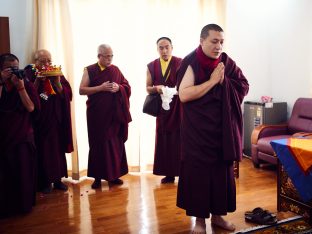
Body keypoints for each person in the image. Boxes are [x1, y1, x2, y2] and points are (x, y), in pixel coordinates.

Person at [176, 24, 249, 233]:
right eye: (214, 41)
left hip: (222, 130)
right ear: (202, 41)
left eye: (221, 42)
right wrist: (213, 81)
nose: (219, 46)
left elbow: (243, 84)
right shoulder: (191, 62)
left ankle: (218, 217)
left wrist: (224, 81)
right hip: (197, 131)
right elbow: (184, 95)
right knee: (198, 174)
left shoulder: (226, 62)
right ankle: (199, 221)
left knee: (221, 175)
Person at [79, 44, 131, 189]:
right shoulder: (89, 70)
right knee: (98, 145)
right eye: (106, 56)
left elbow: (126, 86)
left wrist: (119, 88)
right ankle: (97, 178)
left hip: (114, 115)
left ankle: (113, 176)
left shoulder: (115, 69)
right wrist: (100, 88)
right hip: (97, 115)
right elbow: (82, 90)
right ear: (99, 56)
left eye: (111, 56)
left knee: (115, 145)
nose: (109, 59)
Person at [25, 49, 73, 193]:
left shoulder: (56, 72)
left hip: (56, 119)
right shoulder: (30, 73)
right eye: (42, 61)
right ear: (35, 62)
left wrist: (57, 83)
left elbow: (67, 95)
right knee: (43, 151)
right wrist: (37, 81)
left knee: (57, 151)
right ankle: (45, 182)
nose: (46, 64)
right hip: (40, 121)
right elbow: (26, 95)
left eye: (49, 61)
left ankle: (58, 180)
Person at [0, 53, 40, 217]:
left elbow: (31, 108)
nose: (13, 72)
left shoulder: (26, 83)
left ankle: (23, 205)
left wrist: (21, 87)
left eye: (16, 68)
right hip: (3, 136)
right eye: (9, 69)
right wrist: (2, 81)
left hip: (22, 135)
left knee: (23, 172)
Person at [146, 37, 182, 184]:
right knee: (164, 139)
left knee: (180, 139)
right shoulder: (152, 65)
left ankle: (183, 172)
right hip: (162, 109)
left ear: (172, 47)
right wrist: (157, 88)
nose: (164, 50)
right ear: (157, 49)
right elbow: (148, 88)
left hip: (179, 106)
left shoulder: (181, 63)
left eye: (167, 47)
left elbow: (187, 83)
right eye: (161, 48)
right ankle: (169, 174)